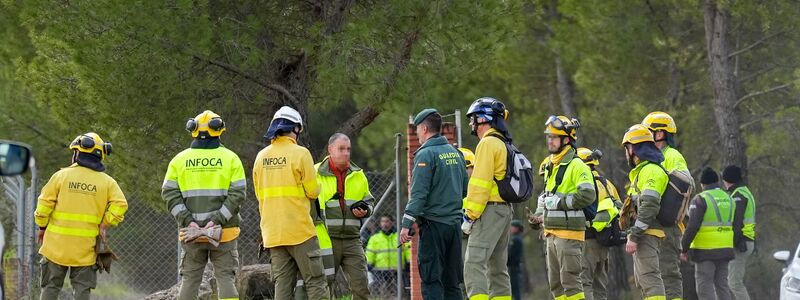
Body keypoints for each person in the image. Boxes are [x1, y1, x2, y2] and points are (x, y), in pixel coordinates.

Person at [162, 110, 246, 300]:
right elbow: (239, 194)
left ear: (193, 130)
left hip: (190, 234)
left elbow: (168, 193)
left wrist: (188, 221)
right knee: (225, 278)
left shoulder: (179, 160)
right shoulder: (231, 158)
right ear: (219, 130)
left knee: (190, 280)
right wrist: (216, 221)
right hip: (224, 232)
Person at [35, 132, 128, 300]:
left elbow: (43, 206)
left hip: (55, 247)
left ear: (77, 153)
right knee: (82, 291)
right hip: (86, 250)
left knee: (50, 287)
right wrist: (104, 223)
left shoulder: (60, 176)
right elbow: (120, 205)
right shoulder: (107, 182)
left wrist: (42, 227)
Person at [253, 106, 328, 299]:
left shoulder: (260, 157)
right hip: (299, 231)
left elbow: (259, 195)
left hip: (273, 234)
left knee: (283, 287)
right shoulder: (301, 153)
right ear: (295, 129)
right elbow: (312, 191)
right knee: (316, 280)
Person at [399, 108, 467, 300]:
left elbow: (419, 194)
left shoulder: (425, 154)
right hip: (454, 226)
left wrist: (406, 224)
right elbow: (464, 190)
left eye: (417, 130)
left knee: (431, 281)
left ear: (425, 129)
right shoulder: (456, 153)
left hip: (433, 227)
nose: (417, 134)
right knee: (452, 283)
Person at [533, 115, 596, 300]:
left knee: (571, 284)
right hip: (551, 233)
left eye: (553, 137)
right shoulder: (551, 165)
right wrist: (539, 214)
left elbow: (587, 195)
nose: (549, 141)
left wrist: (558, 203)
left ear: (566, 140)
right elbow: (549, 196)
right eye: (548, 136)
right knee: (556, 286)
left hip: (569, 236)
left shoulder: (577, 165)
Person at [462, 97, 516, 300]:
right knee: (497, 267)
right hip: (504, 210)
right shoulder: (503, 143)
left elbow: (480, 184)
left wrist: (469, 216)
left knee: (474, 262)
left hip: (489, 211)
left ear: (484, 119)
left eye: (473, 118)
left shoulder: (487, 144)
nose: (471, 124)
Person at [314, 132, 373, 299]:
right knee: (324, 287)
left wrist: (365, 210)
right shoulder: (315, 172)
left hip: (352, 239)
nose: (346, 153)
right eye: (341, 149)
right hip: (325, 239)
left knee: (361, 286)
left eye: (348, 149)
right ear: (330, 149)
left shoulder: (358, 175)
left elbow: (369, 202)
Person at [642, 111, 693, 300]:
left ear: (661, 134)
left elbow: (685, 185)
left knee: (669, 276)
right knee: (652, 277)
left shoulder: (672, 155)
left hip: (668, 228)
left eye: (649, 132)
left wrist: (665, 210)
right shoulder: (652, 158)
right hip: (654, 227)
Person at [620, 124, 668, 300]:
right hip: (643, 233)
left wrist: (634, 235)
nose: (626, 153)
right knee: (643, 281)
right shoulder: (642, 172)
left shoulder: (651, 171)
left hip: (646, 233)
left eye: (627, 148)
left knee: (650, 279)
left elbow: (649, 206)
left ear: (634, 148)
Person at [680, 168, 734, 300]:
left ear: (702, 184)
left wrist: (684, 248)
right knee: (722, 285)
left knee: (705, 287)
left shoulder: (701, 199)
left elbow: (692, 226)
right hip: (726, 249)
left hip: (706, 251)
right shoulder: (728, 198)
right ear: (717, 182)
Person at [577, 147, 622, 300]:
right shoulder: (607, 183)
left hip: (587, 241)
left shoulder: (584, 184)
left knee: (584, 283)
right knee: (600, 285)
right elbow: (620, 208)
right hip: (604, 241)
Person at [722, 165, 754, 300]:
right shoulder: (744, 191)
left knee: (734, 283)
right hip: (745, 241)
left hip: (741, 243)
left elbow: (737, 223)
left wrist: (730, 244)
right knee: (732, 281)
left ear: (727, 179)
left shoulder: (738, 196)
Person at [366, 215, 410, 298]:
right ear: (380, 224)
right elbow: (370, 252)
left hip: (398, 270)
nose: (384, 224)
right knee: (383, 293)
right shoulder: (375, 238)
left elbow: (407, 249)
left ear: (392, 222)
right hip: (381, 271)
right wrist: (369, 264)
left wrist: (408, 261)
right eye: (382, 221)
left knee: (400, 293)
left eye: (387, 221)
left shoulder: (400, 236)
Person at [507, 220, 525, 300]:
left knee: (515, 288)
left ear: (517, 228)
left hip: (514, 267)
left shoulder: (516, 239)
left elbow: (512, 254)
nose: (511, 228)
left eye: (512, 227)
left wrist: (506, 262)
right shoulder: (516, 238)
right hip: (515, 267)